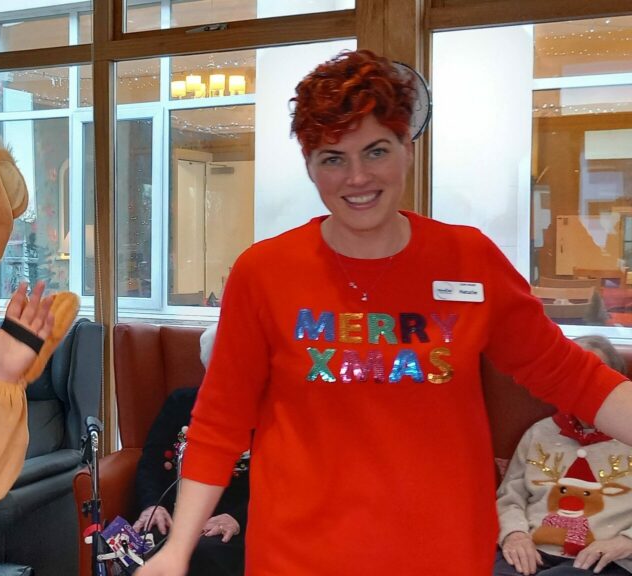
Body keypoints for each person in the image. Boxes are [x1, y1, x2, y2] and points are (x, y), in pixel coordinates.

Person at [137, 49, 632, 576]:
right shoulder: (265, 272)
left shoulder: (469, 260)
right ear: (309, 165)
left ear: (406, 149)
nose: (357, 177)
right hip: (298, 556)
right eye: (333, 158)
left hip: (441, 555)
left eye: (375, 151)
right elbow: (220, 423)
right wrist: (175, 551)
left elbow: (572, 375)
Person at [496, 336, 632, 576]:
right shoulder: (540, 432)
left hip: (606, 559)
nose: (583, 389)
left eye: (593, 381)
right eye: (573, 380)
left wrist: (626, 541)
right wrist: (514, 534)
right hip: (533, 550)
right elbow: (510, 497)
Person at [132, 325, 249, 575]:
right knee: (141, 545)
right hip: (173, 514)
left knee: (204, 553)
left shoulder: (265, 412)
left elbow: (277, 482)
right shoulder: (180, 402)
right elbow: (151, 461)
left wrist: (237, 519)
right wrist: (152, 505)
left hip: (233, 522)